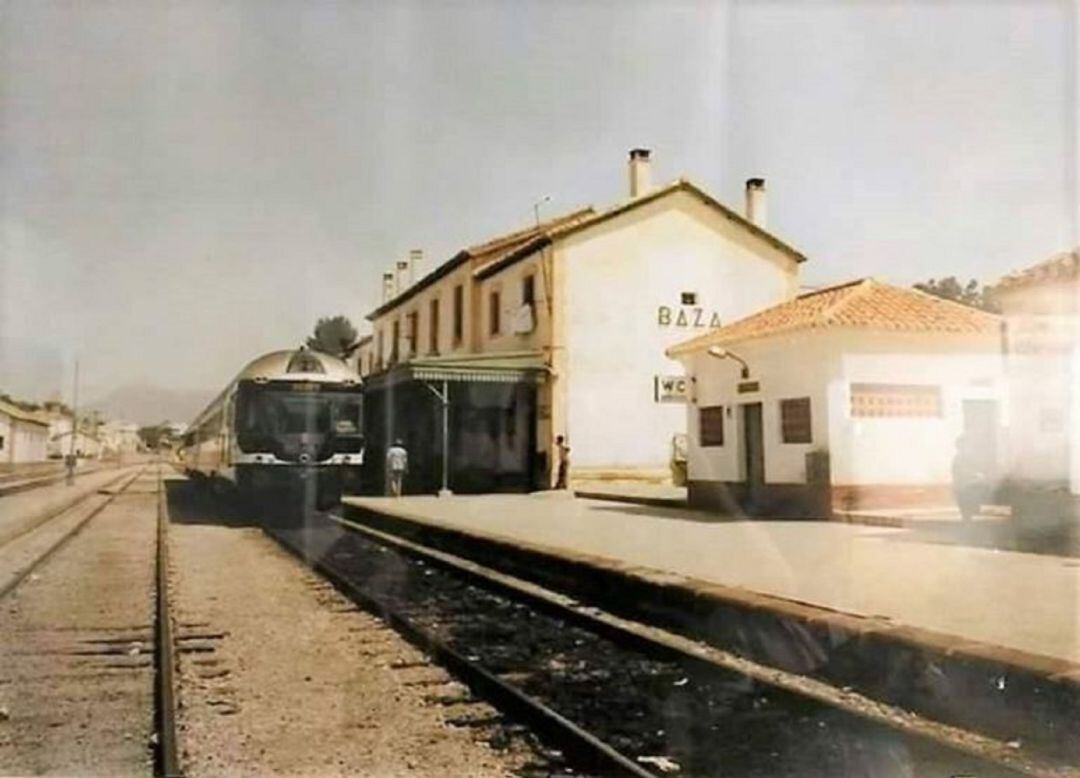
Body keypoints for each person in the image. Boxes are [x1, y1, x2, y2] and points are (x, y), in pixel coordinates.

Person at [951, 433, 985, 522]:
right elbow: (962, 472)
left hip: (963, 489)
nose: (969, 448)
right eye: (967, 445)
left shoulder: (965, 458)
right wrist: (975, 475)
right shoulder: (959, 458)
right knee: (967, 516)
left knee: (967, 517)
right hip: (963, 490)